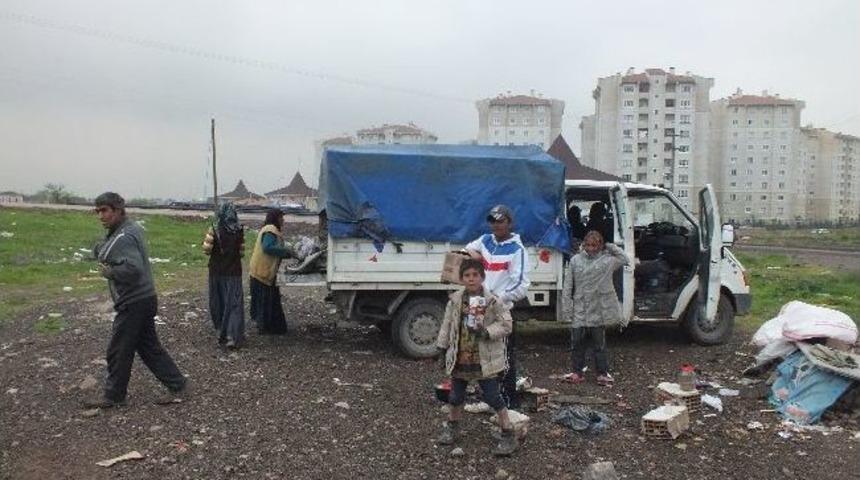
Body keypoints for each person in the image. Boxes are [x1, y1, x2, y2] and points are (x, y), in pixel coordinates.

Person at [84, 192, 187, 408]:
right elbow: (107, 248)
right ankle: (178, 385)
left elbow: (133, 268)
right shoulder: (129, 229)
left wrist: (110, 272)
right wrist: (101, 251)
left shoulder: (123, 236)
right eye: (98, 211)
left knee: (119, 349)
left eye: (104, 210)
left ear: (118, 210)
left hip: (134, 301)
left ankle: (113, 396)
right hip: (145, 298)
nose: (100, 216)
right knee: (149, 347)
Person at [435, 258, 518, 456]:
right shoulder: (455, 300)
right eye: (467, 276)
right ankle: (453, 426)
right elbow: (447, 325)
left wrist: (487, 331)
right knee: (455, 396)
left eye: (475, 275)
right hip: (461, 356)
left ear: (482, 277)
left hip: (484, 358)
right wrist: (441, 348)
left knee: (492, 396)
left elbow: (507, 324)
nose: (471, 279)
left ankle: (508, 432)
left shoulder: (492, 301)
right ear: (461, 278)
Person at [464, 204, 530, 410]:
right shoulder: (485, 240)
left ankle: (509, 403)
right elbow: (467, 249)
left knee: (505, 357)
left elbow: (521, 286)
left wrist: (497, 299)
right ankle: (490, 399)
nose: (496, 225)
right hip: (478, 305)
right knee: (481, 354)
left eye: (501, 221)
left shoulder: (517, 250)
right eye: (493, 221)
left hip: (501, 311)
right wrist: (476, 256)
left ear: (509, 222)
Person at [562, 230, 630, 386]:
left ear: (600, 245)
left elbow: (624, 258)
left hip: (598, 309)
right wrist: (567, 308)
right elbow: (568, 286)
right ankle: (577, 372)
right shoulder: (575, 261)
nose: (591, 248)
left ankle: (602, 373)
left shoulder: (607, 261)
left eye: (595, 245)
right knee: (577, 343)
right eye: (588, 245)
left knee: (599, 344)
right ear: (584, 244)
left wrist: (610, 246)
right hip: (580, 308)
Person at [204, 202, 245, 348]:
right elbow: (241, 253)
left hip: (216, 271)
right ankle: (232, 336)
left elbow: (207, 250)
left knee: (218, 302)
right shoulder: (239, 229)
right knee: (234, 304)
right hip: (234, 272)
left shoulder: (214, 229)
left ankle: (220, 330)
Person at [248, 209, 294, 335]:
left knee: (268, 300)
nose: (283, 220)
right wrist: (287, 251)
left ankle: (270, 327)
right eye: (281, 217)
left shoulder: (271, 230)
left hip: (262, 271)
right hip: (262, 272)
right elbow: (268, 247)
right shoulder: (270, 230)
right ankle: (266, 328)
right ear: (276, 218)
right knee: (266, 301)